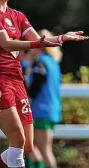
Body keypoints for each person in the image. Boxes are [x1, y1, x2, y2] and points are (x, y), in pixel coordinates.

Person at [0, 0, 89, 168]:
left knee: (28, 146)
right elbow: (6, 43)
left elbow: (39, 40)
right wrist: (39, 44)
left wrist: (63, 38)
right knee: (18, 140)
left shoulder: (17, 16)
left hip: (17, 81)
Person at [22, 29, 62, 168]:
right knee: (36, 149)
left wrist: (26, 62)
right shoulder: (53, 63)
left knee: (43, 150)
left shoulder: (40, 63)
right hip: (51, 110)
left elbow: (34, 85)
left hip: (41, 110)